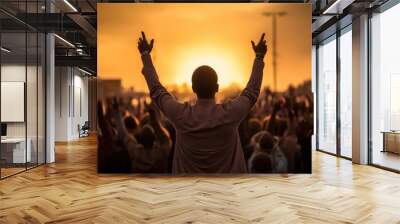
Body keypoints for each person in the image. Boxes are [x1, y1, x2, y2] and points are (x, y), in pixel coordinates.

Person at [137, 31, 267, 173]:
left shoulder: (181, 115)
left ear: (193, 88)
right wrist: (259, 57)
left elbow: (157, 90)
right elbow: (252, 92)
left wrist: (145, 55)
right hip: (227, 192)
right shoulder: (231, 114)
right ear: (217, 87)